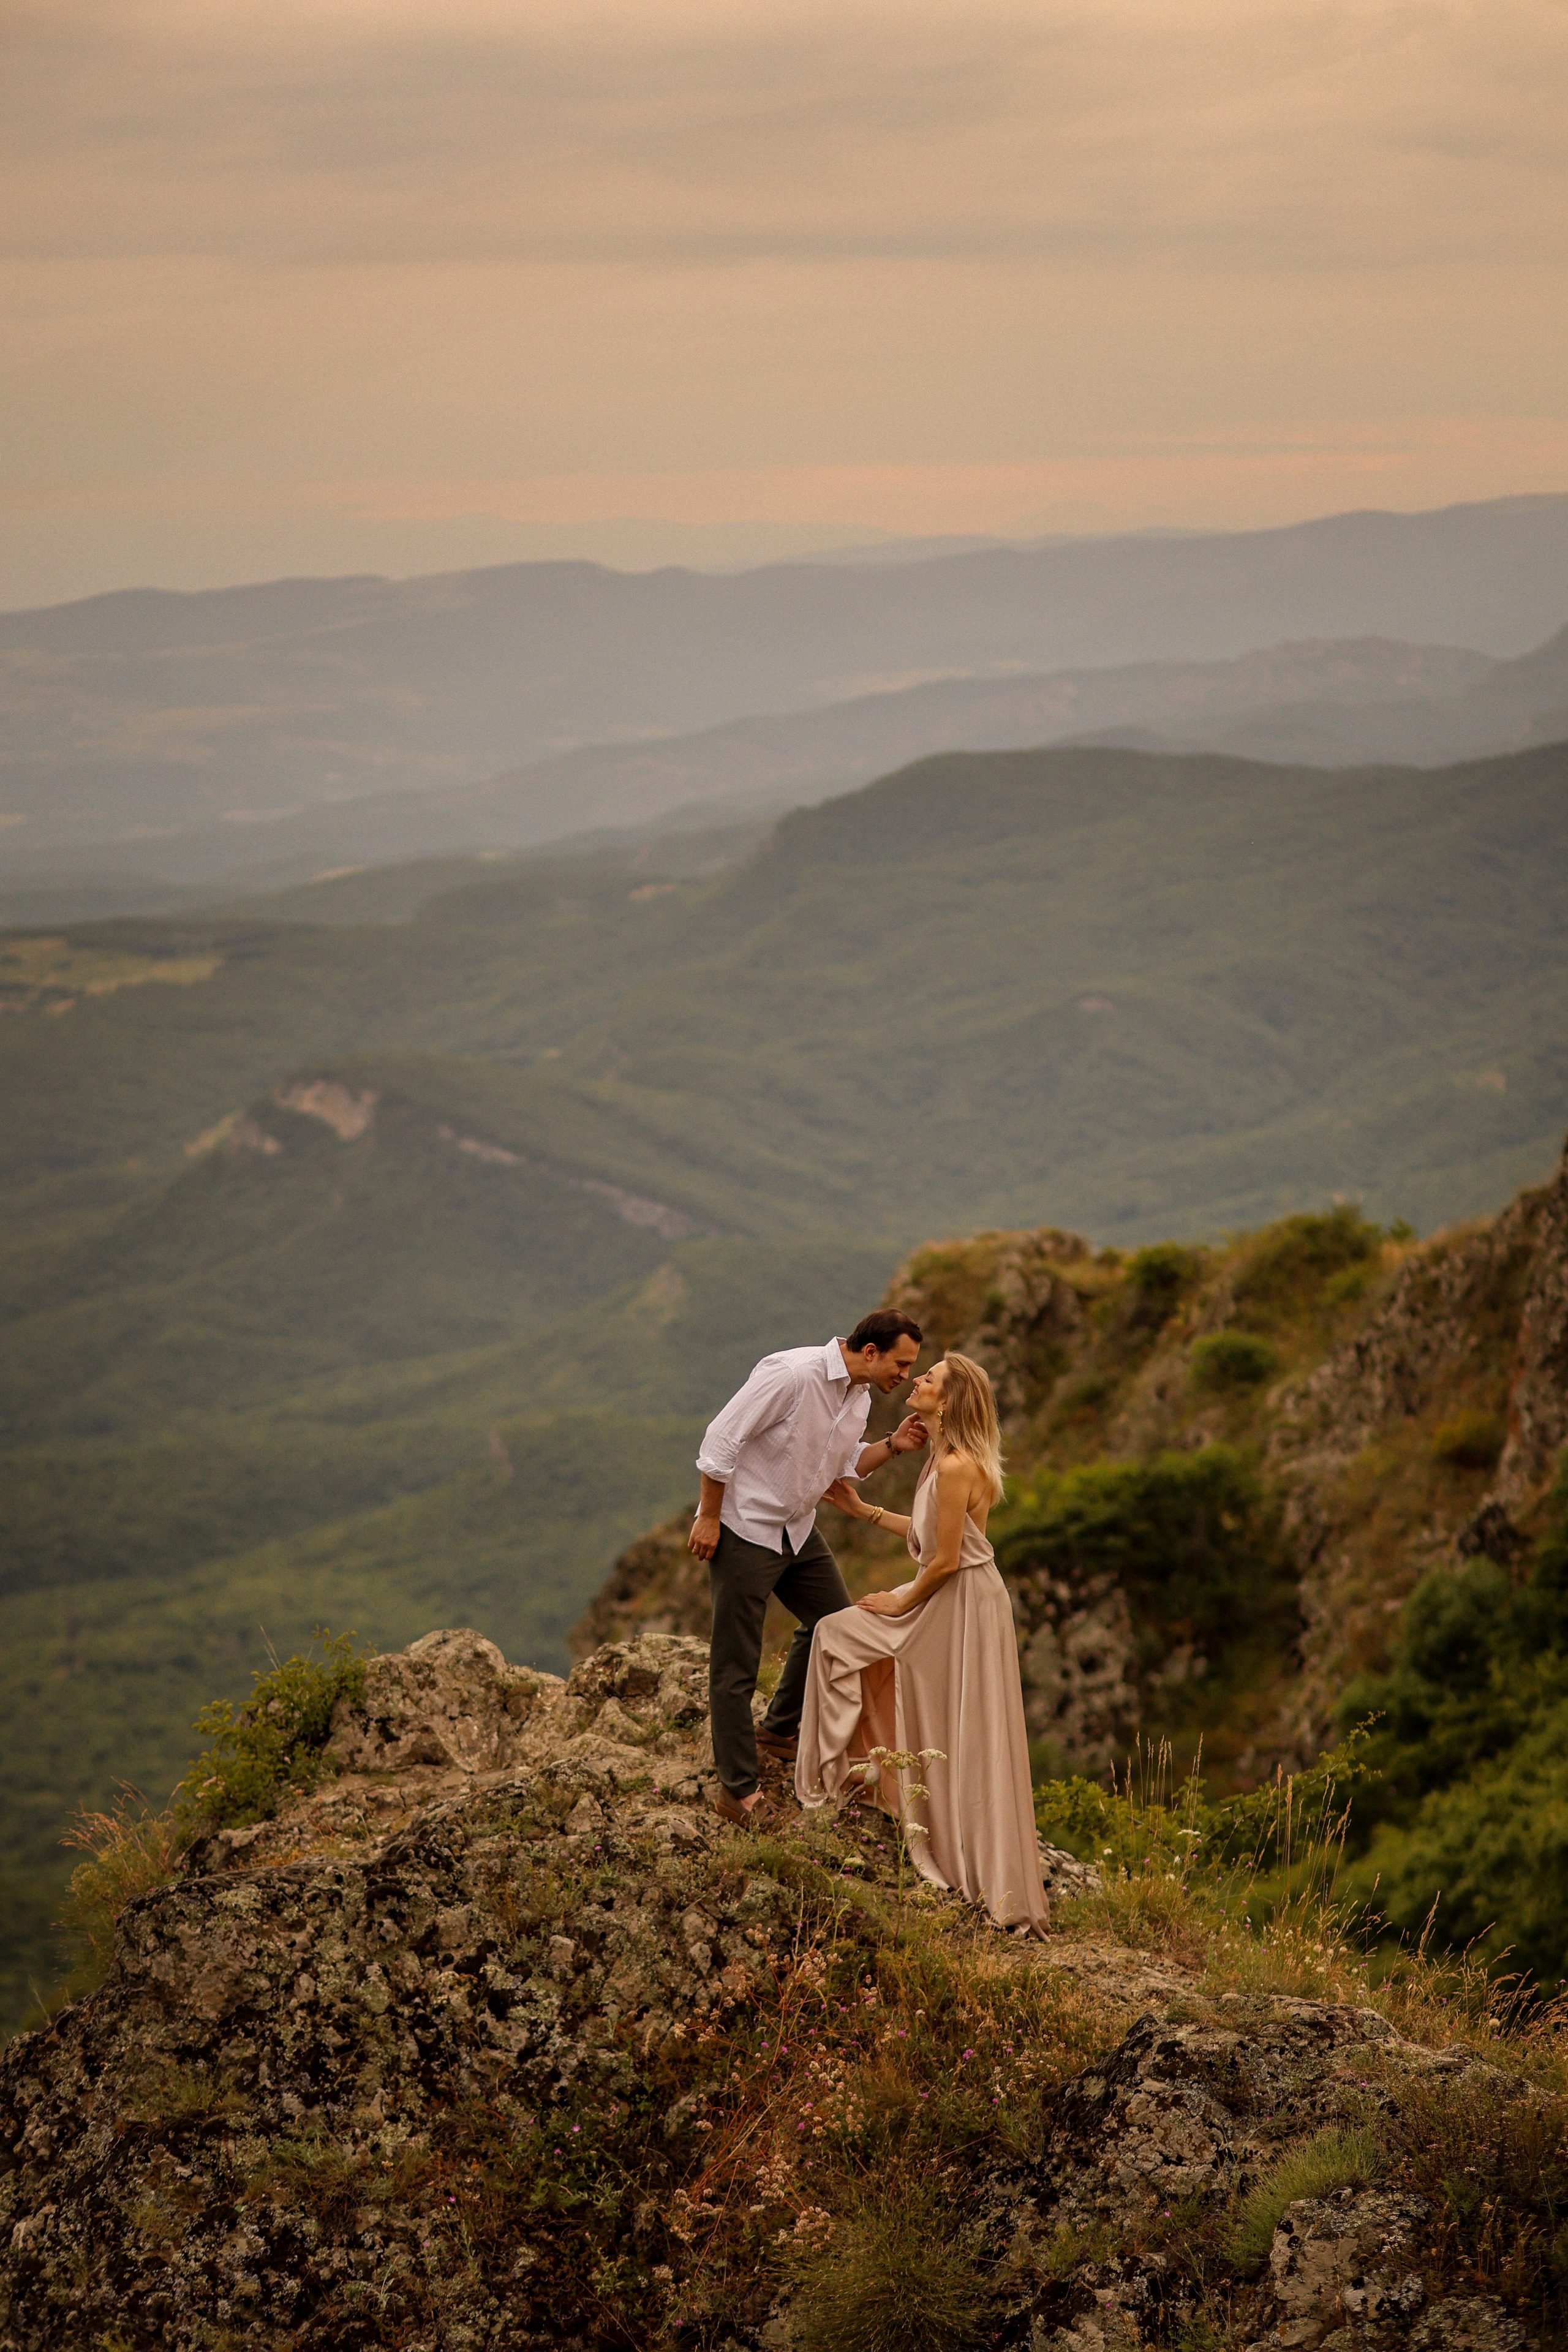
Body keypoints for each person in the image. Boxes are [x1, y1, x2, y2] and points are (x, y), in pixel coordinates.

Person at [796, 1351, 1050, 1937]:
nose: (917, 1381)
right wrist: (864, 1511)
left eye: (930, 1378)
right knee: (844, 1638)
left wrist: (899, 1601)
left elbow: (944, 1559)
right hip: (947, 1594)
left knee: (840, 1636)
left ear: (949, 1401)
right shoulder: (940, 1458)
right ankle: (870, 1775)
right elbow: (927, 1536)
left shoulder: (959, 1464)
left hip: (963, 1601)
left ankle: (846, 1777)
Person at [689, 1310, 929, 1826]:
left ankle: (777, 1730)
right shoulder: (793, 1374)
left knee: (835, 1625)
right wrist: (709, 1517)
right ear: (871, 1352)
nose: (905, 1376)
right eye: (902, 1364)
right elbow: (719, 1441)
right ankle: (739, 1793)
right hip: (745, 1529)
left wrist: (893, 1446)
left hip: (797, 1530)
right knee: (736, 1665)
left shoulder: (858, 1397)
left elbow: (840, 1467)